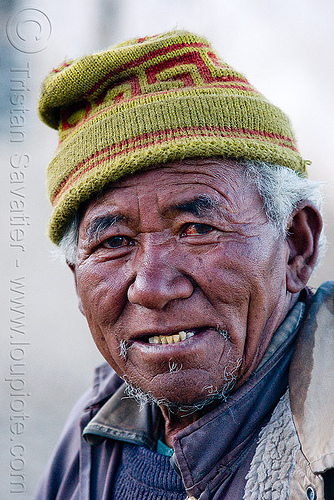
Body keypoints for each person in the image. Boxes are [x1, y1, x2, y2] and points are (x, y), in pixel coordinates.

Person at [34, 30, 334, 499]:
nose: (151, 288)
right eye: (114, 241)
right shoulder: (94, 428)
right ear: (78, 280)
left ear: (297, 246)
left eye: (196, 229)